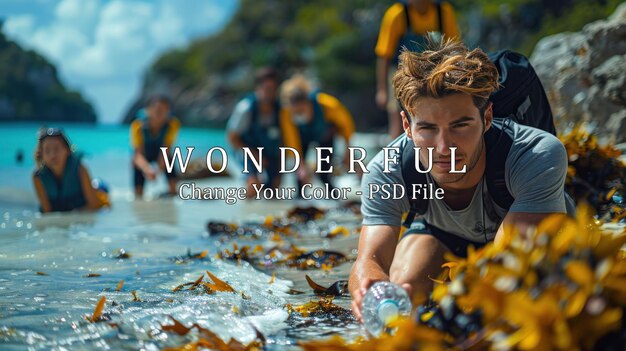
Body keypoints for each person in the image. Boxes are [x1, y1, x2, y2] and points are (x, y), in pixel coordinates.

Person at [350, 39, 576, 321]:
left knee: (521, 296)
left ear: (487, 117)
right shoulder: (386, 170)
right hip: (443, 235)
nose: (444, 148)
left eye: (460, 125)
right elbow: (369, 260)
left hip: (527, 240)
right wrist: (370, 288)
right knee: (404, 286)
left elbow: (506, 263)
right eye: (428, 128)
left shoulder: (536, 153)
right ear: (407, 126)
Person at [375, 0, 460, 139]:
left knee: (436, 119)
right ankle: (396, 158)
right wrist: (382, 90)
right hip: (401, 75)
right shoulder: (396, 14)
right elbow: (384, 56)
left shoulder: (443, 12)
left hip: (434, 74)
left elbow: (455, 50)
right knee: (398, 124)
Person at [227, 67, 299, 196]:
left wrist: (281, 166)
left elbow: (285, 138)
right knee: (253, 184)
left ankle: (265, 211)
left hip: (271, 151)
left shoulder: (281, 110)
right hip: (246, 150)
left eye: (272, 89)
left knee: (274, 187)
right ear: (257, 88)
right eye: (266, 88)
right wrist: (255, 156)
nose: (269, 93)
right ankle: (246, 211)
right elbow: (232, 138)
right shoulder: (246, 108)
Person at [280, 74, 355, 191]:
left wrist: (348, 151)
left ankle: (335, 200)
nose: (299, 114)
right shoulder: (286, 113)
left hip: (325, 136)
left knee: (324, 173)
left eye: (302, 110)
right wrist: (301, 166)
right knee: (300, 177)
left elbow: (347, 127)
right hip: (301, 139)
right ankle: (300, 203)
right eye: (296, 112)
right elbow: (291, 142)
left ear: (308, 102)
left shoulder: (328, 104)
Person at [32, 128, 109, 213]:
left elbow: (94, 205)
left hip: (98, 190)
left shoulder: (80, 169)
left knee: (101, 187)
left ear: (67, 150)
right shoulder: (38, 177)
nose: (52, 155)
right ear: (41, 154)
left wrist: (73, 216)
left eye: (57, 149)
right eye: (47, 151)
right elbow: (47, 211)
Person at [130, 95, 180, 198]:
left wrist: (157, 171)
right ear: (148, 110)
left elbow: (166, 150)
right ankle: (138, 193)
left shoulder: (172, 125)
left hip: (162, 154)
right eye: (157, 110)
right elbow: (138, 155)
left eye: (164, 110)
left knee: (169, 159)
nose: (159, 113)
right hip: (144, 156)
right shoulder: (138, 126)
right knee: (136, 164)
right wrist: (147, 169)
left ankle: (172, 190)